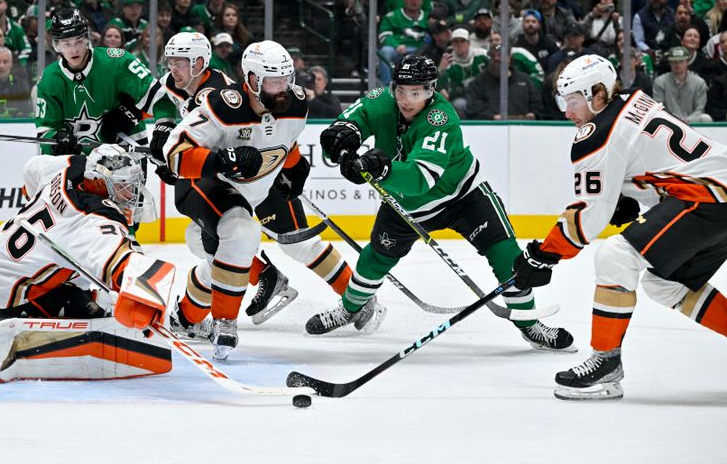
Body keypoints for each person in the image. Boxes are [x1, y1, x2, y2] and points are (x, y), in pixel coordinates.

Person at [314, 54, 575, 352]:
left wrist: (380, 168)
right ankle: (351, 309)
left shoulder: (442, 118)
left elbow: (420, 180)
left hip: (464, 197)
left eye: (418, 92)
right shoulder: (380, 99)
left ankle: (530, 325)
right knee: (375, 259)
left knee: (505, 253)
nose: (408, 100)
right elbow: (352, 119)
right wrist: (342, 135)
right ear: (392, 87)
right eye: (401, 91)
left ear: (432, 89)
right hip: (405, 205)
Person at [513, 54, 727, 400]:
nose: (567, 112)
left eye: (572, 100)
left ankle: (606, 364)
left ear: (598, 94)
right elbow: (653, 162)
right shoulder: (633, 100)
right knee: (665, 285)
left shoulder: (596, 134)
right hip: (717, 194)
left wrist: (543, 254)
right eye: (562, 101)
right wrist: (626, 195)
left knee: (615, 256)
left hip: (706, 197)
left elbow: (589, 216)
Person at [161, 41, 354, 359]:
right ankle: (224, 322)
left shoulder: (295, 103)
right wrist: (223, 159)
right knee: (235, 234)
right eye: (274, 82)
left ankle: (357, 299)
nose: (284, 89)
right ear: (251, 80)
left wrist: (296, 167)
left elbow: (283, 139)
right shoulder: (224, 106)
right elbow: (175, 154)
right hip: (210, 182)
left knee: (293, 243)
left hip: (261, 182)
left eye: (286, 80)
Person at [0, 145, 175, 381]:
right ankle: (17, 320)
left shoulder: (72, 167)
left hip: (3, 265)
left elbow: (32, 169)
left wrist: (36, 198)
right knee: (97, 319)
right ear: (99, 182)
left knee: (83, 274)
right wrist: (146, 298)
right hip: (16, 293)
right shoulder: (92, 218)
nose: (129, 194)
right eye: (122, 186)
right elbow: (119, 263)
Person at [35, 8, 165, 157]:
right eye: (66, 44)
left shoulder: (117, 62)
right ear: (56, 45)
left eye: (78, 41)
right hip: (77, 159)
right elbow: (46, 130)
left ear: (87, 38)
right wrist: (57, 140)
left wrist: (133, 114)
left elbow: (159, 97)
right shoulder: (49, 78)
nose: (74, 49)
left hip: (125, 153)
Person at [652, 46, 711, 123]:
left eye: (681, 61)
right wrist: (674, 120)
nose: (677, 64)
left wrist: (687, 120)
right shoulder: (660, 81)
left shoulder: (699, 82)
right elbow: (659, 108)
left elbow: (699, 109)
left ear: (687, 62)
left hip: (692, 121)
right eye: (674, 61)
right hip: (669, 122)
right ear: (669, 63)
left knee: (706, 118)